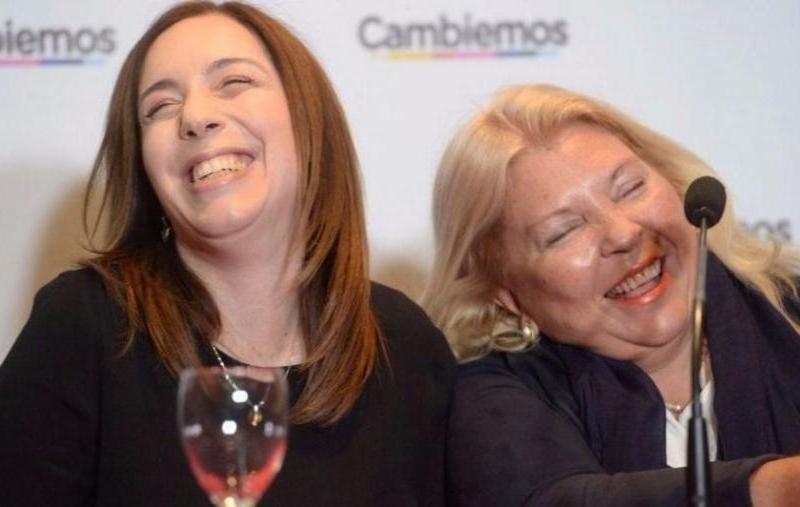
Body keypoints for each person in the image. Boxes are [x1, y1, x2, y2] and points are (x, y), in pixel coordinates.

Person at [0, 2, 454, 505]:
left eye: (234, 82)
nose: (195, 117)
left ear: (308, 117)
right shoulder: (83, 326)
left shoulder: (406, 346)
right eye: (160, 107)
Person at [423, 84, 800, 506]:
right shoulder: (490, 395)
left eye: (631, 188)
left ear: (676, 185)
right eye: (564, 231)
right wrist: (779, 488)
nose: (623, 234)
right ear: (506, 293)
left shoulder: (790, 313)